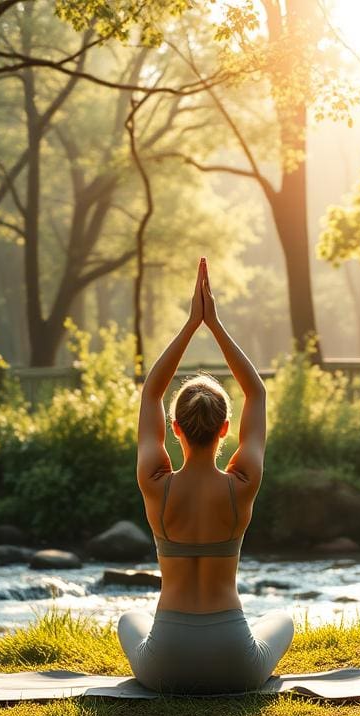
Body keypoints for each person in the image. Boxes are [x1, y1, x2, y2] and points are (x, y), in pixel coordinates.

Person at [117, 257, 294, 694]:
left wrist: (191, 324)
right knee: (282, 619)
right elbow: (257, 390)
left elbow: (151, 391)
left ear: (174, 429)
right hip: (234, 660)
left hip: (165, 665)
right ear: (225, 429)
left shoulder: (155, 482)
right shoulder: (242, 482)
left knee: (128, 619)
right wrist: (214, 325)